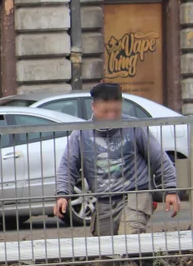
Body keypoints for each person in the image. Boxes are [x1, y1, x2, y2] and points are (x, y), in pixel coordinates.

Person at [55, 83, 179, 235]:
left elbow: (159, 159)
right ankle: (146, 259)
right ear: (93, 107)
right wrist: (62, 194)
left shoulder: (134, 127)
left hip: (136, 194)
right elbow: (67, 167)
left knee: (129, 238)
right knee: (107, 253)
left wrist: (171, 190)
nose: (111, 116)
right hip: (104, 200)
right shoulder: (80, 134)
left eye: (116, 111)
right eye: (106, 111)